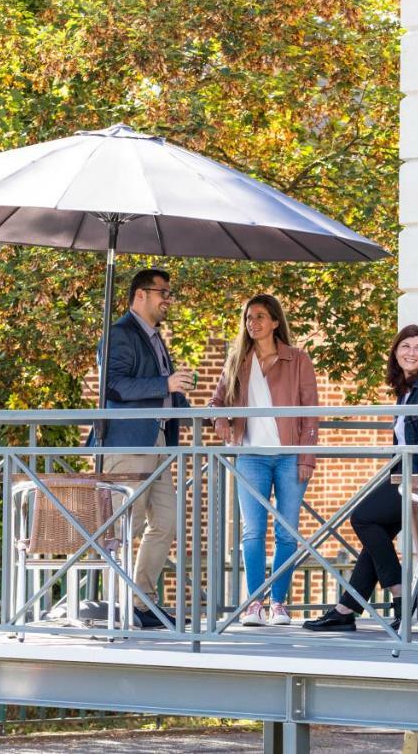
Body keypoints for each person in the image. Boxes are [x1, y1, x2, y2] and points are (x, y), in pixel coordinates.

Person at [303, 324, 418, 633]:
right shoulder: (407, 391)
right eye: (405, 347)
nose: (411, 353)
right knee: (377, 534)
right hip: (406, 475)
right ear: (396, 351)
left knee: (362, 518)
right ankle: (346, 608)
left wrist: (416, 480)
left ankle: (399, 595)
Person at [210, 294, 319, 627]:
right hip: (251, 457)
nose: (252, 323)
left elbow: (311, 415)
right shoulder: (237, 361)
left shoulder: (297, 360)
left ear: (274, 321)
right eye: (248, 318)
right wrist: (222, 422)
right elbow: (216, 404)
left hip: (289, 457)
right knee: (252, 531)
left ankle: (278, 603)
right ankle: (254, 604)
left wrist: (306, 458)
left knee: (287, 532)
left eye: (259, 317)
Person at [101, 268, 194, 629]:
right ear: (140, 294)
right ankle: (117, 604)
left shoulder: (156, 338)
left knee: (166, 522)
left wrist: (191, 408)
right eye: (163, 292)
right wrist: (165, 382)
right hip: (127, 442)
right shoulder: (120, 334)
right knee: (127, 525)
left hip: (158, 443)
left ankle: (140, 601)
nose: (168, 299)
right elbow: (113, 386)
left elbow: (163, 390)